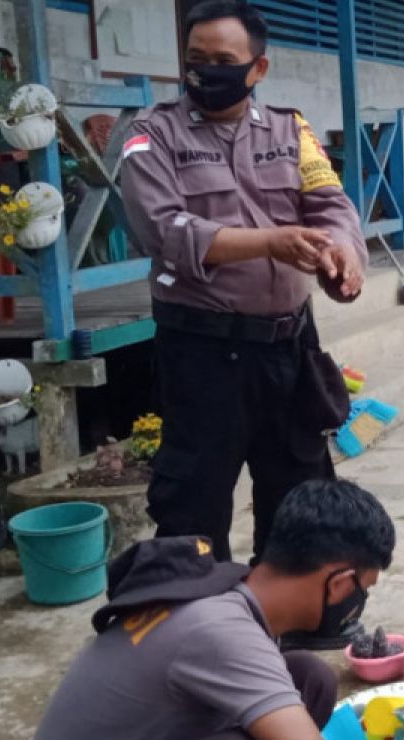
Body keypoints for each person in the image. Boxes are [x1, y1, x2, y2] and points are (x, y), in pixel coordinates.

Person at [120, 1, 366, 582]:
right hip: (203, 351)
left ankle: (298, 619)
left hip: (289, 347)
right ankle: (198, 629)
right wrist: (270, 243)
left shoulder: (290, 130)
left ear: (258, 68)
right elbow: (164, 229)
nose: (206, 72)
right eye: (195, 60)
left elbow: (329, 203)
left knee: (300, 493)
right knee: (193, 502)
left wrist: (343, 254)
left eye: (224, 61)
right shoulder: (151, 135)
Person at [23, 480, 404, 740]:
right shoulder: (219, 631)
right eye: (363, 588)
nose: (358, 603)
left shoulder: (231, 589)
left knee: (308, 678)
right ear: (339, 583)